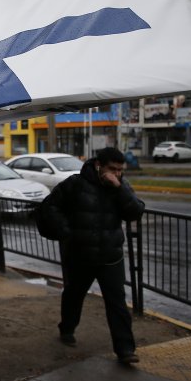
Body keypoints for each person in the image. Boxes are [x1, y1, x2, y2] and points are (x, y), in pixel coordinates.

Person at [38, 147, 145, 364]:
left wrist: (119, 187)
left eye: (120, 170)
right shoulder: (75, 184)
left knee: (117, 303)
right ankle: (67, 328)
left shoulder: (120, 186)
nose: (117, 173)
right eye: (112, 169)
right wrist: (67, 233)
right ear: (99, 166)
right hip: (80, 255)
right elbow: (50, 208)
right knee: (74, 295)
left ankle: (125, 349)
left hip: (110, 256)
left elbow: (135, 211)